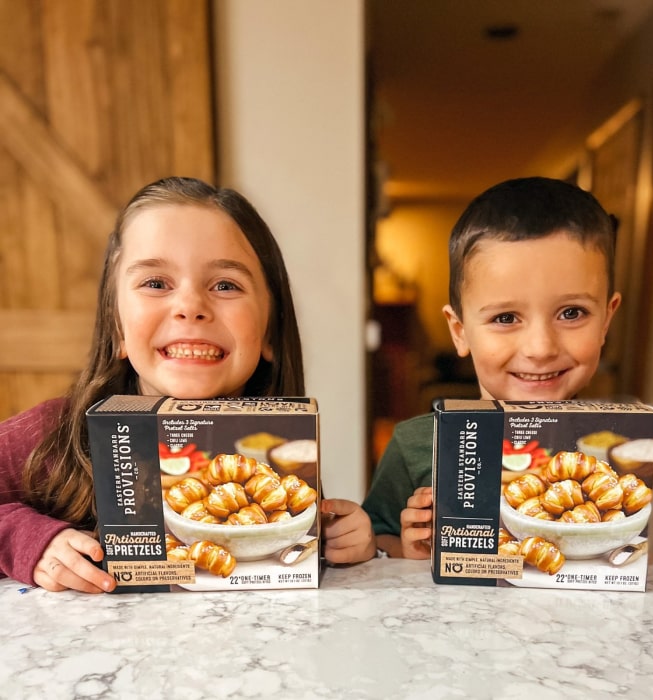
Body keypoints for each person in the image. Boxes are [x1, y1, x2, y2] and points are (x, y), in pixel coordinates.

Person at [0, 176, 375, 593]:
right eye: (156, 283)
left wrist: (345, 542)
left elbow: (293, 551)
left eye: (225, 285)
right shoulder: (54, 434)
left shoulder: (273, 452)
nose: (190, 307)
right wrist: (32, 542)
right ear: (117, 326)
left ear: (271, 331)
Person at [362, 176, 622, 559]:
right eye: (505, 318)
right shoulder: (415, 445)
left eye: (571, 313)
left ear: (605, 321)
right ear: (460, 331)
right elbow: (375, 542)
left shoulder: (621, 451)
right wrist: (408, 550)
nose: (540, 348)